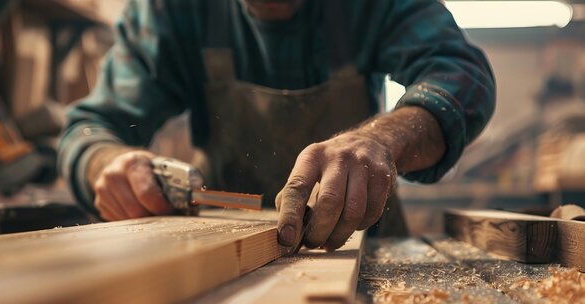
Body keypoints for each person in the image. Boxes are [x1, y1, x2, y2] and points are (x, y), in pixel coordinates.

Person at [58, 0, 495, 251]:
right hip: (220, 258)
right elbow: (90, 127)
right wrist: (107, 164)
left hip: (360, 250)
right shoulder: (172, 10)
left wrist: (382, 139)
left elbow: (462, 74)